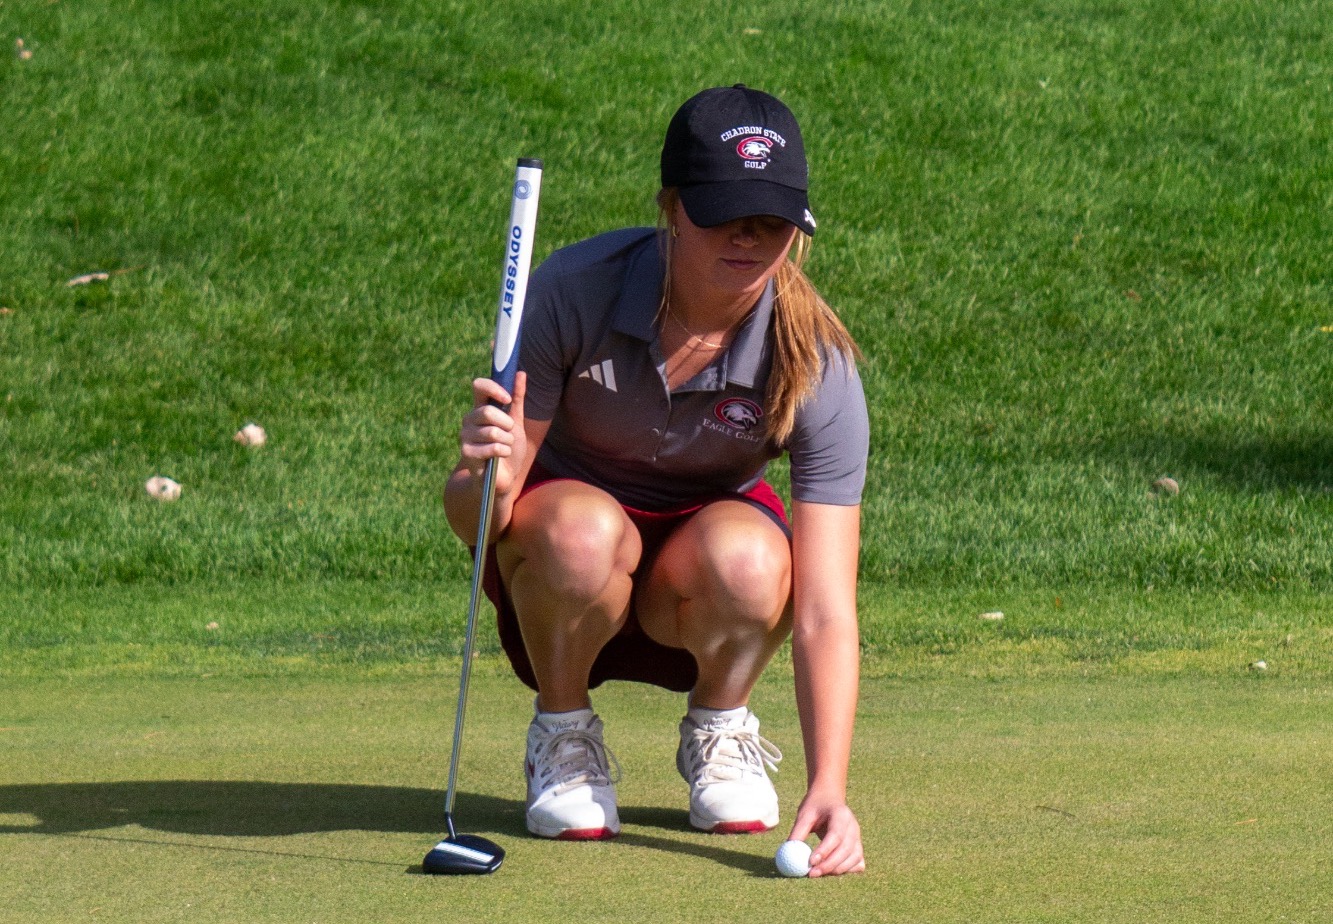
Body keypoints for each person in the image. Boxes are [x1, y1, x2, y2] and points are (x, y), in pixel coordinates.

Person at [444, 85, 869, 878]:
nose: (748, 237)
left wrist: (829, 786)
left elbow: (822, 606)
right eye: (722, 212)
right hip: (568, 563)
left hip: (701, 571)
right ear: (671, 206)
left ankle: (720, 725)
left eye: (771, 219)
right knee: (580, 532)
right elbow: (476, 529)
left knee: (753, 560)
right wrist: (481, 474)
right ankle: (562, 732)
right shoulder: (575, 288)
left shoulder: (815, 356)